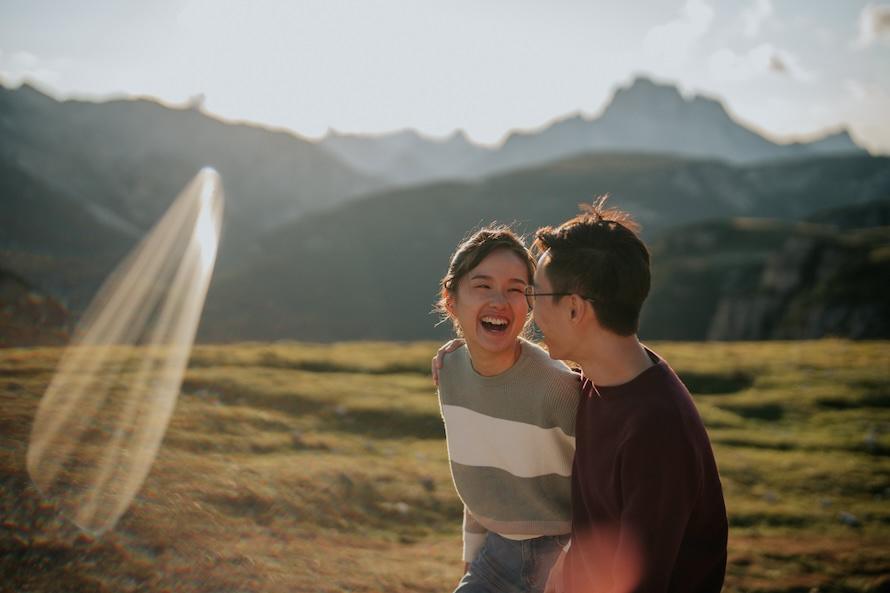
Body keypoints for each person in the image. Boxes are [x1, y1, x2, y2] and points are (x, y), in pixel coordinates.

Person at [529, 199, 728, 593]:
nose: (531, 314)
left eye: (536, 297)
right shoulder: (600, 379)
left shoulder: (656, 429)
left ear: (574, 310)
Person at [433, 225, 581, 593]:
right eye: (482, 286)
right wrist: (472, 557)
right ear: (451, 299)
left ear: (529, 304)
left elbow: (608, 491)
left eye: (516, 289)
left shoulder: (559, 387)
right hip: (496, 555)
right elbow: (483, 474)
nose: (500, 300)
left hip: (565, 558)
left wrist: (574, 562)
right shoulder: (449, 372)